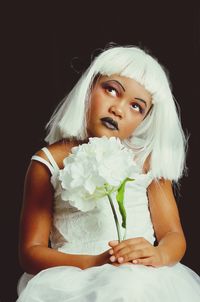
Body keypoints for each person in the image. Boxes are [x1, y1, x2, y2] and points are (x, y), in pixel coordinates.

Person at [17, 45, 200, 301]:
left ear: (145, 119)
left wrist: (158, 255)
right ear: (89, 87)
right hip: (73, 280)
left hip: (143, 280)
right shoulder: (48, 162)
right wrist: (95, 262)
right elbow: (30, 252)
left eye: (136, 106)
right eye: (111, 90)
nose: (119, 109)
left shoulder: (147, 163)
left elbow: (173, 235)